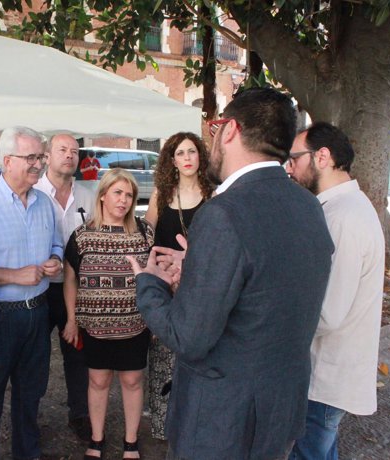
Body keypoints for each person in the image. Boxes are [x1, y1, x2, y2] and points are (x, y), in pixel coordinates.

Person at [127, 88, 335, 459]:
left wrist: (151, 284)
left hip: (222, 423)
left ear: (230, 130)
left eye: (214, 127)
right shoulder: (308, 204)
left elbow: (188, 337)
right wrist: (199, 268)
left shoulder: (223, 212)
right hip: (279, 411)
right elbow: (267, 284)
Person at [0, 126, 63, 460]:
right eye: (30, 157)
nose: (38, 164)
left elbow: (57, 244)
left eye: (40, 157)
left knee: (30, 396)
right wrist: (12, 275)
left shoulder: (45, 203)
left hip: (38, 312)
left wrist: (56, 260)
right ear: (7, 161)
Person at [285, 122, 385, 460]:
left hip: (326, 376)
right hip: (327, 373)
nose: (290, 168)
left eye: (295, 158)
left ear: (322, 157)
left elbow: (327, 312)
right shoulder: (344, 208)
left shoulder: (343, 217)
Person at [63, 168, 153, 460]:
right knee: (98, 381)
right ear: (102, 196)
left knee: (132, 381)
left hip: (135, 325)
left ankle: (131, 442)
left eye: (129, 195)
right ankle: (97, 439)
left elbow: (154, 276)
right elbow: (70, 279)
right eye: (117, 192)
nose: (124, 200)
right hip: (96, 328)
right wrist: (72, 320)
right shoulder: (82, 236)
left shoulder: (143, 233)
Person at [143, 132, 213, 441]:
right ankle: (162, 427)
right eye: (180, 153)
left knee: (198, 356)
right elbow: (148, 236)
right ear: (172, 160)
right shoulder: (162, 194)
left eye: (192, 152)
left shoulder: (214, 195)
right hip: (165, 286)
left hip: (201, 287)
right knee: (162, 357)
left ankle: (195, 424)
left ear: (200, 157)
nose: (187, 158)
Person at [34, 134, 95, 440]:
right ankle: (30, 414)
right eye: (62, 150)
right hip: (39, 288)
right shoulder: (32, 194)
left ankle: (80, 413)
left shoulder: (88, 195)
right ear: (46, 155)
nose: (69, 155)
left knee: (77, 353)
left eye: (74, 151)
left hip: (76, 288)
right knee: (35, 354)